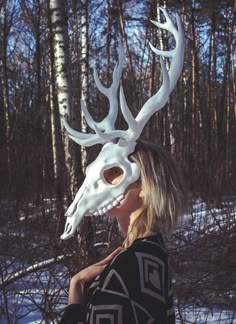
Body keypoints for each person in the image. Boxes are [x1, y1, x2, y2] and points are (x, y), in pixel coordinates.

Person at [60, 140, 186, 324]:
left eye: (114, 172)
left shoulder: (130, 264)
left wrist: (76, 291)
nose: (105, 180)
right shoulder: (153, 255)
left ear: (144, 185)